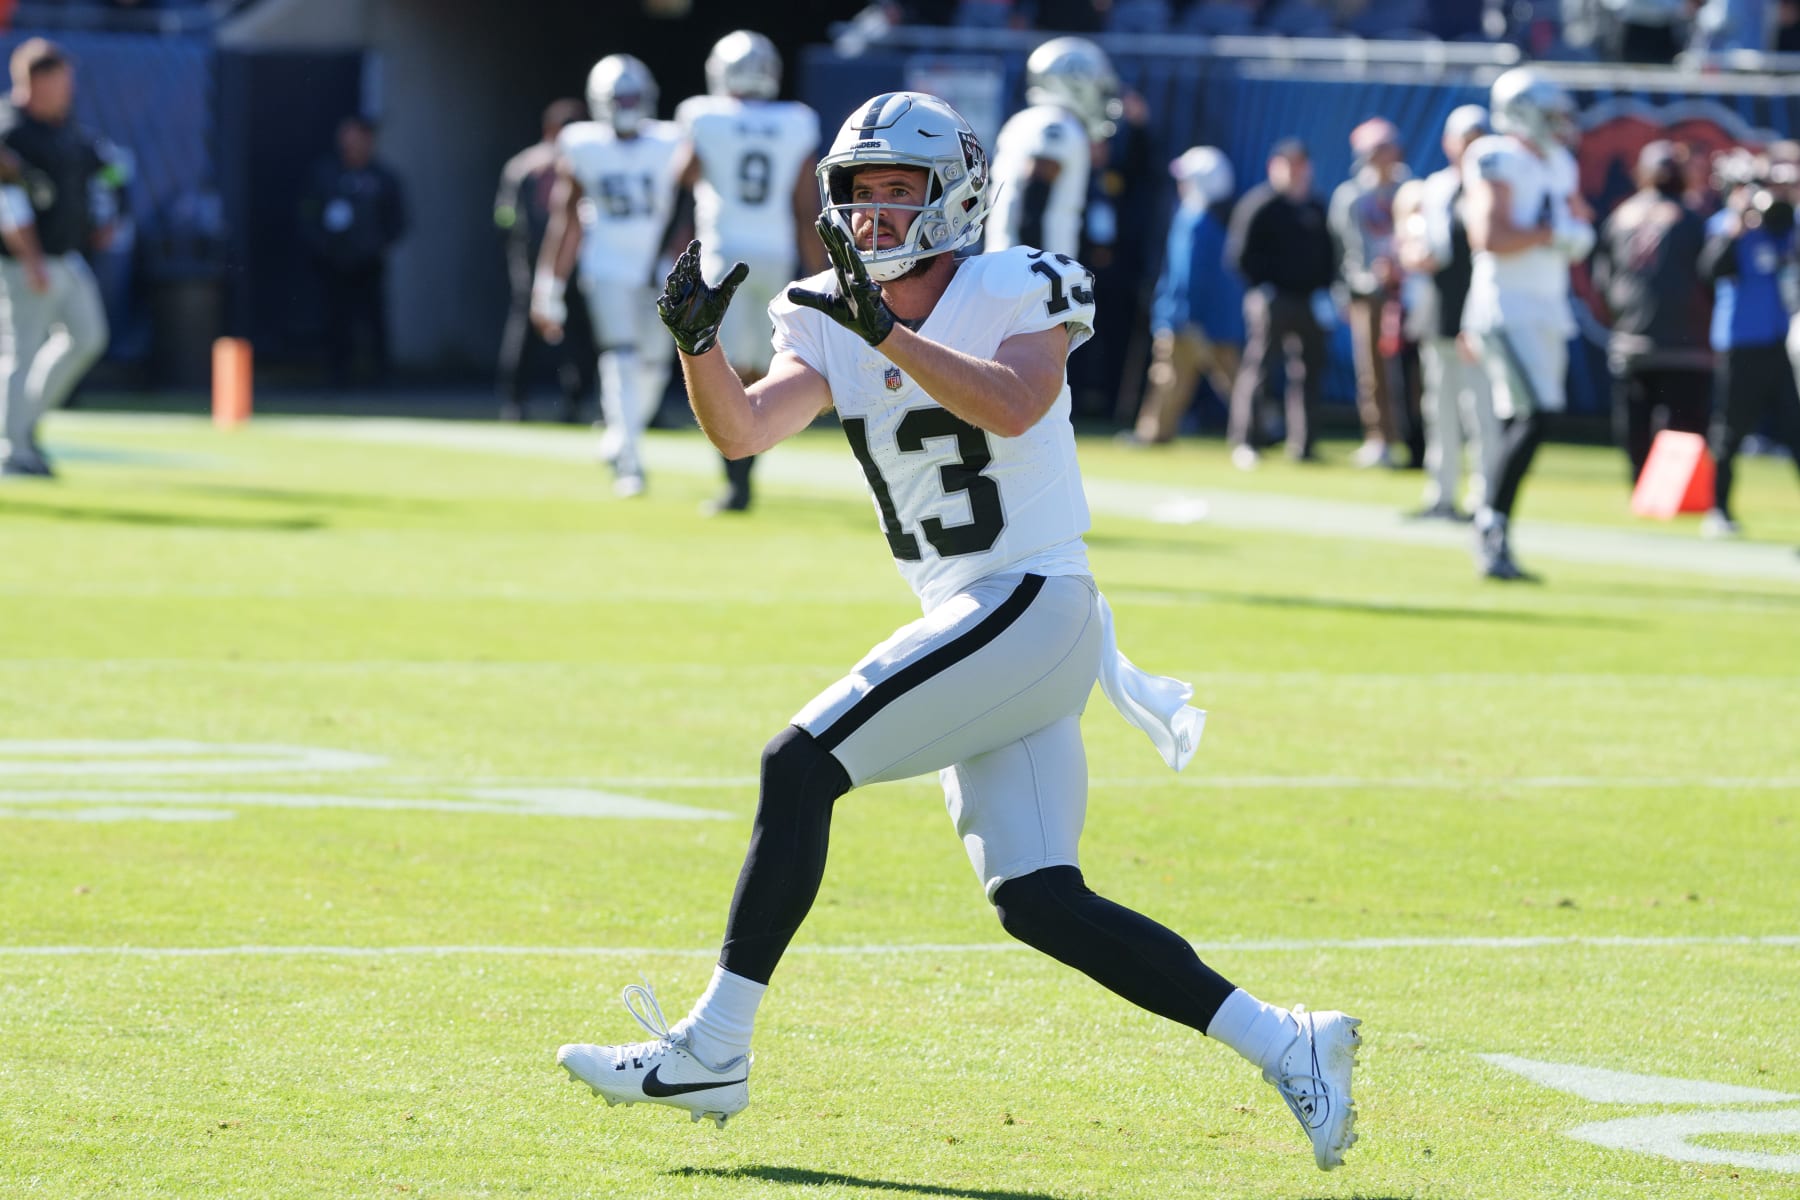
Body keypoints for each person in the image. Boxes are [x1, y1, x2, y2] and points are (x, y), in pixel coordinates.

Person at [553, 90, 1362, 1173]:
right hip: (980, 622)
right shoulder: (823, 308)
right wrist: (700, 347)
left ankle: (715, 1046)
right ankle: (1291, 1041)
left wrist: (883, 329)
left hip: (1034, 600)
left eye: (900, 192)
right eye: (860, 193)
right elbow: (744, 429)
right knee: (1039, 900)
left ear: (954, 198)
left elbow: (1018, 403)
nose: (877, 216)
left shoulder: (1015, 281)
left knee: (797, 765)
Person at [673, 30, 824, 513]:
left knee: (724, 365)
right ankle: (746, 474)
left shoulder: (703, 115)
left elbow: (681, 177)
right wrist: (824, 274)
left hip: (723, 252)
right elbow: (806, 207)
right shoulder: (796, 120)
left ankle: (736, 479)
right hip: (775, 252)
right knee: (760, 365)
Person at [1460, 67, 1595, 581]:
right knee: (1535, 416)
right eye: (1551, 114)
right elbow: (1489, 236)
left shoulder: (1559, 162)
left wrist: (1568, 233)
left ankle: (1492, 521)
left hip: (1546, 304)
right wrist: (1551, 233)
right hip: (1507, 305)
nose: (1559, 124)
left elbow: (1578, 223)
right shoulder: (1495, 155)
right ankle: (1489, 525)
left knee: (1532, 417)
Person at [533, 56, 684, 498]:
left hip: (659, 267)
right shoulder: (582, 144)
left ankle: (622, 434)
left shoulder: (671, 140)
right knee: (620, 355)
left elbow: (689, 211)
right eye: (620, 98)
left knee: (656, 362)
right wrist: (549, 287)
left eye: (632, 98)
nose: (626, 105)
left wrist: (683, 263)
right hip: (607, 265)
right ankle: (630, 460)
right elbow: (567, 221)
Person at [0, 38, 110, 479]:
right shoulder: (10, 130)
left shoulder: (64, 126)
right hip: (26, 261)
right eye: (62, 79)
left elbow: (100, 174)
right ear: (38, 80)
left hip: (67, 256)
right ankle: (11, 449)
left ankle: (23, 427)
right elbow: (8, 203)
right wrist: (30, 259)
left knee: (88, 337)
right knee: (19, 352)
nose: (69, 88)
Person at [1591, 139, 1712, 483]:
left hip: (1632, 341)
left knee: (1636, 424)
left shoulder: (1621, 216)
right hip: (1685, 344)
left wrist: (1621, 317)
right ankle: (1671, 491)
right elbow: (1710, 275)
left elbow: (1603, 281)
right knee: (1683, 426)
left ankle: (1642, 488)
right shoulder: (1691, 219)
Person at [1398, 104, 1496, 520]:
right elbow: (1420, 249)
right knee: (1439, 410)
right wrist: (1413, 252)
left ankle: (1485, 498)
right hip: (1439, 311)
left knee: (1482, 411)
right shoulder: (1435, 188)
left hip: (1482, 315)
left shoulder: (1496, 184)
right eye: (1464, 139)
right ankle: (1441, 494)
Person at [1698, 151, 1800, 537]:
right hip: (1739, 340)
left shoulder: (1781, 224)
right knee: (1731, 430)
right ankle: (1719, 509)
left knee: (1795, 429)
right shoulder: (1726, 225)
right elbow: (1710, 271)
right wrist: (1739, 218)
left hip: (1775, 339)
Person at [1224, 138, 1337, 468]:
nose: (1296, 172)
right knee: (1260, 369)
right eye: (1289, 165)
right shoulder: (1260, 205)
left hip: (1309, 301)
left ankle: (1303, 443)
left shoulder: (1315, 206)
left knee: (1309, 372)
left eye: (1301, 165)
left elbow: (1329, 255)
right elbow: (1239, 257)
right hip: (1272, 299)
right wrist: (1264, 286)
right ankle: (1247, 440)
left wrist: (1325, 289)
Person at [1123, 145, 1243, 446]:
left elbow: (1186, 273)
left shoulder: (1195, 219)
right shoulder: (1218, 219)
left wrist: (1182, 312)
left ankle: (1153, 433)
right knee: (1233, 377)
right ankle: (1259, 426)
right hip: (1217, 318)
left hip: (1186, 315)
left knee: (1169, 376)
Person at [495, 98, 592, 424]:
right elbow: (506, 217)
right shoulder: (525, 167)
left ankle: (575, 401)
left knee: (578, 335)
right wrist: (524, 257)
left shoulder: (587, 160)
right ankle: (515, 402)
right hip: (534, 260)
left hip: (575, 260)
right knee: (526, 330)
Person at [984, 36, 1122, 261]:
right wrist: (1036, 270)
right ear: (1075, 82)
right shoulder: (1057, 125)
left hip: (1010, 261)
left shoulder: (1027, 120)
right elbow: (1034, 198)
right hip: (1030, 269)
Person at [299, 114, 407, 389]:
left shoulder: (383, 177)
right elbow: (308, 214)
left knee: (374, 321)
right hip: (333, 263)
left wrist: (379, 244)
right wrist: (323, 245)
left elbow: (398, 220)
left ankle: (381, 376)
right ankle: (337, 375)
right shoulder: (324, 174)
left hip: (368, 262)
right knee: (336, 320)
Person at [1330, 118, 1411, 469]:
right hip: (1367, 293)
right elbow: (1342, 250)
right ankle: (1379, 437)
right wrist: (1349, 290)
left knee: (1413, 371)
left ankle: (1414, 437)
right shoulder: (1351, 196)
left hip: (1408, 292)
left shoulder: (1407, 188)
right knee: (1372, 370)